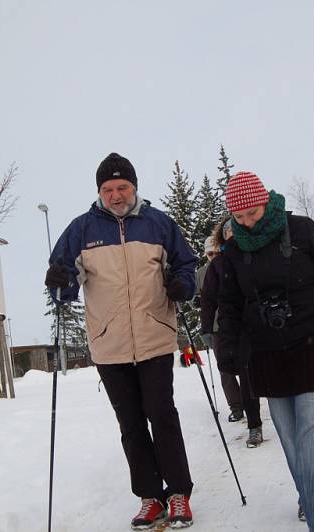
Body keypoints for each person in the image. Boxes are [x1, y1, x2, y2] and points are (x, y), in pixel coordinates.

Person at [45, 153, 197, 530]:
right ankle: (149, 498)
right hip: (108, 343)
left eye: (122, 187)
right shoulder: (81, 229)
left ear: (134, 187)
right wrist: (59, 281)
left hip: (155, 337)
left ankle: (178, 492)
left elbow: (185, 264)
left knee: (162, 415)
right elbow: (63, 287)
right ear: (99, 191)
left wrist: (183, 285)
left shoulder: (158, 223)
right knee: (130, 423)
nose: (116, 194)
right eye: (108, 188)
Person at [217, 171, 314, 531]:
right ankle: (313, 499)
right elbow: (230, 303)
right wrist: (227, 349)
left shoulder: (301, 230)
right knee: (293, 444)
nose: (247, 223)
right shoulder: (235, 250)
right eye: (238, 218)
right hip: (267, 356)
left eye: (252, 214)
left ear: (265, 202)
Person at [200, 218, 263, 448]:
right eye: (228, 232)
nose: (233, 235)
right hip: (238, 327)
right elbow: (208, 299)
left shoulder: (258, 252)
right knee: (246, 375)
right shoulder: (218, 265)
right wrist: (207, 327)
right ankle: (254, 424)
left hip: (266, 323)